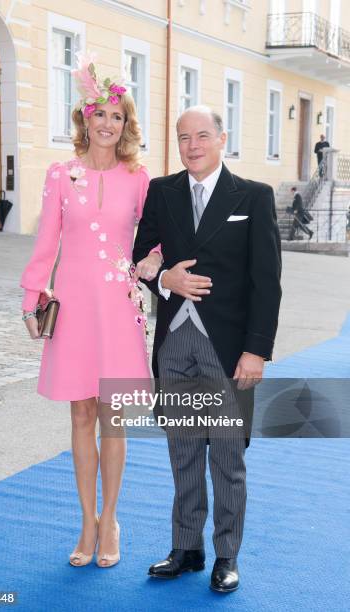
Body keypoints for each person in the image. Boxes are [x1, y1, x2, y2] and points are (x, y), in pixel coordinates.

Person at [133, 105, 282, 593]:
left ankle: (226, 554)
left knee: (226, 456)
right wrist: (166, 278)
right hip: (175, 340)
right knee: (182, 450)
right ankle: (186, 547)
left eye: (201, 136)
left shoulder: (254, 197)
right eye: (183, 138)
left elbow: (267, 282)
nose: (192, 145)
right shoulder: (162, 191)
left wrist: (256, 351)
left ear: (222, 139)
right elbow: (141, 257)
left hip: (228, 347)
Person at [20, 54, 161, 569]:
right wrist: (32, 298)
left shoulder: (140, 179)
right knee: (80, 413)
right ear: (84, 118)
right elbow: (45, 244)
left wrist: (153, 260)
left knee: (114, 417)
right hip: (74, 308)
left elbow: (158, 239)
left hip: (120, 311)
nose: (107, 123)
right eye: (99, 113)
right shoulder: (62, 174)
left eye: (117, 116)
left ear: (126, 124)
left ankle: (111, 520)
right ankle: (85, 520)